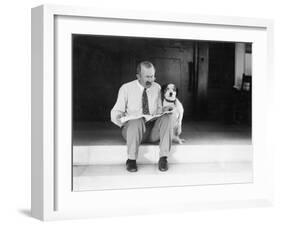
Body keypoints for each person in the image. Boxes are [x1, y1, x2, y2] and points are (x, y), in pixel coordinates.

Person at [110, 61, 174, 172]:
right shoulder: (126, 88)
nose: (152, 80)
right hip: (133, 131)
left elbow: (159, 109)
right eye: (148, 76)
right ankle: (131, 160)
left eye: (153, 76)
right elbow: (115, 112)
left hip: (152, 131)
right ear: (138, 76)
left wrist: (164, 110)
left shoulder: (157, 87)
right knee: (137, 120)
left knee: (167, 117)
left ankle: (163, 158)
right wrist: (119, 116)